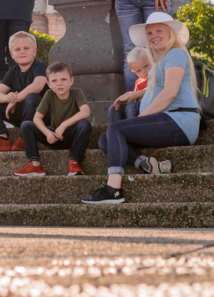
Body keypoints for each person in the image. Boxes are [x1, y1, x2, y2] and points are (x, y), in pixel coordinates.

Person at [81, 11, 201, 205]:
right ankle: (147, 163)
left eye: (158, 31)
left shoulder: (176, 54)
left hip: (178, 121)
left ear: (170, 32)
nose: (153, 36)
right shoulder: (162, 60)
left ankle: (113, 189)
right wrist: (135, 94)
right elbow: (156, 88)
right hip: (168, 120)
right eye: (150, 33)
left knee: (115, 129)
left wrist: (141, 117)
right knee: (105, 140)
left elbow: (170, 92)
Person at [14, 61, 92, 177]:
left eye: (63, 79)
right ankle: (35, 165)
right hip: (54, 137)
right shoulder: (49, 95)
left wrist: (63, 125)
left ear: (71, 81)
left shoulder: (76, 93)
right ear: (49, 84)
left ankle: (74, 162)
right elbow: (37, 118)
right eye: (54, 81)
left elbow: (85, 112)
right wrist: (47, 133)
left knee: (84, 125)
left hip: (73, 136)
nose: (59, 84)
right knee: (26, 125)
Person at [0, 31, 47, 152]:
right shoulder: (13, 71)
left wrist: (16, 98)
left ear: (34, 51)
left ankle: (25, 137)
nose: (22, 51)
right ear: (12, 54)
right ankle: (2, 138)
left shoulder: (40, 66)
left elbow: (37, 86)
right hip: (22, 114)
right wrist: (7, 98)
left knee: (31, 97)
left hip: (41, 115)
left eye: (26, 48)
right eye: (17, 49)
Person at [108, 48, 152, 124]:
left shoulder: (157, 75)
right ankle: (115, 131)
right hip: (141, 107)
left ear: (152, 60)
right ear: (133, 71)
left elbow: (156, 89)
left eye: (146, 66)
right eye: (138, 70)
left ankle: (132, 131)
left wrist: (136, 95)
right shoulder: (138, 82)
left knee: (131, 107)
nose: (144, 72)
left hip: (153, 107)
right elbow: (136, 100)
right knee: (114, 107)